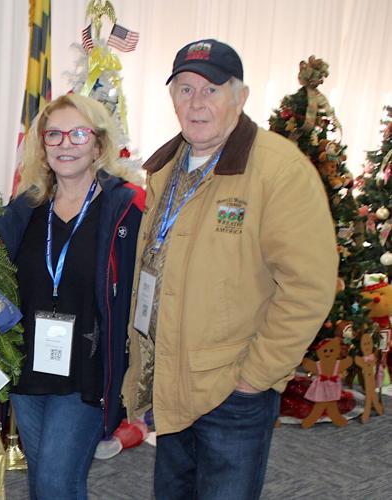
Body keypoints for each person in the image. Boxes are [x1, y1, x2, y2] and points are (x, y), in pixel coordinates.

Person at [120, 39, 337, 499]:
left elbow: (309, 288)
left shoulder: (279, 172)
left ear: (240, 96)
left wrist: (253, 378)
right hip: (173, 382)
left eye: (212, 89)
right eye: (184, 89)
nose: (196, 103)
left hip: (231, 390)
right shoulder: (166, 168)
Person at [0, 94, 144, 499]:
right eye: (54, 135)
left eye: (78, 133)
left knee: (58, 482)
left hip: (87, 372)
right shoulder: (26, 207)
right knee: (43, 481)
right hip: (29, 368)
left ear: (98, 144)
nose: (65, 144)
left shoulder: (125, 209)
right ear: (42, 146)